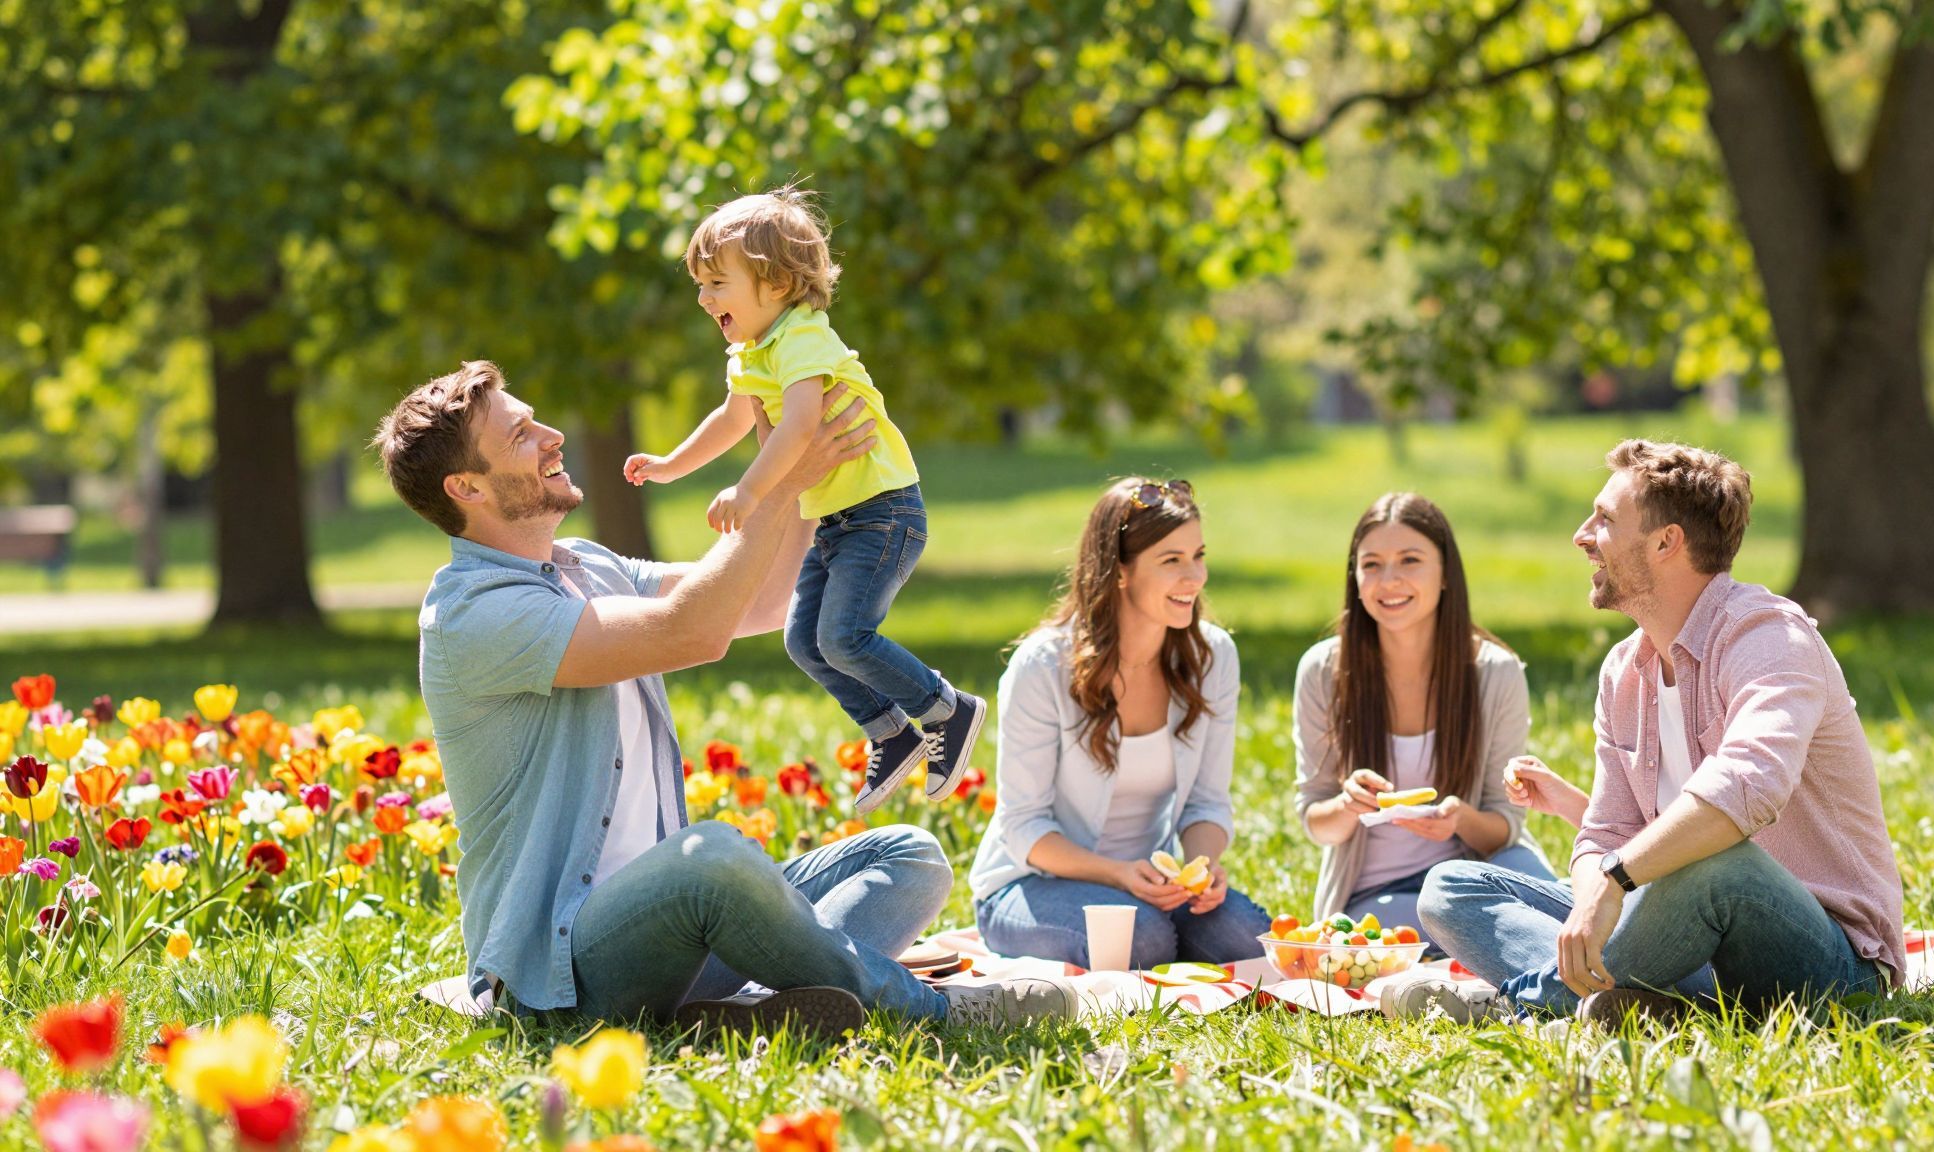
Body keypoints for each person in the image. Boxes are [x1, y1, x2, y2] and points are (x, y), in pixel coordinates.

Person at [373, 360, 1075, 1034]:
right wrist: (777, 482)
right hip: (563, 974)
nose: (552, 436)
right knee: (710, 857)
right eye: (520, 435)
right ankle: (930, 1011)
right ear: (467, 487)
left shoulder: (588, 565)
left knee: (909, 857)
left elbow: (763, 599)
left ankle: (746, 1006)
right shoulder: (472, 613)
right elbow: (693, 632)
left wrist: (790, 447)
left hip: (673, 933)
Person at [1400, 440, 1904, 1025]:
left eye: (1605, 520)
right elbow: (1605, 833)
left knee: (1715, 863)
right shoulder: (1624, 671)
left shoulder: (1769, 638)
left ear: (1667, 542)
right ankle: (1652, 1004)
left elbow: (1749, 787)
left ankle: (1520, 1004)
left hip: (1827, 965)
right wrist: (1595, 889)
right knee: (1453, 888)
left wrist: (1615, 879)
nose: (1582, 535)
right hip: (1678, 931)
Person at [623, 186, 981, 815]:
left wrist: (751, 490)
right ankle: (890, 731)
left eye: (717, 283)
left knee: (844, 637)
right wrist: (670, 466)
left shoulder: (804, 338)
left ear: (779, 285)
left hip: (882, 511)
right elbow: (733, 419)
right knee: (804, 642)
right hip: (838, 518)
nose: (704, 299)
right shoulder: (751, 352)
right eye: (699, 284)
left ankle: (945, 710)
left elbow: (799, 425)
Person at [969, 479, 1271, 969]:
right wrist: (1117, 875)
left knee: (1248, 941)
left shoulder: (1213, 656)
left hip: (1148, 885)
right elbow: (1024, 828)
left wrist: (1201, 866)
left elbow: (1207, 803)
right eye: (1171, 561)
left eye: (1198, 555)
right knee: (1141, 938)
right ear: (1120, 570)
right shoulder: (1043, 666)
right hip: (1030, 884)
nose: (1194, 577)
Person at [1293, 493, 1553, 942]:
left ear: (1446, 573)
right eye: (1371, 564)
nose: (1388, 581)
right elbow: (1315, 820)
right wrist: (1347, 805)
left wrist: (1459, 821)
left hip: (1475, 875)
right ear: (1355, 578)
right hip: (1379, 898)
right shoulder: (1322, 671)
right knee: (1446, 928)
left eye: (1410, 560)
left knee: (1554, 901)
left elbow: (1503, 827)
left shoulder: (1495, 673)